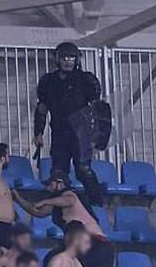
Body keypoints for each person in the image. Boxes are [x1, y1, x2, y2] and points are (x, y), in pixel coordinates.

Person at [34, 42, 104, 204]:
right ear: (57, 59)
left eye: (71, 57)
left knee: (83, 170)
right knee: (58, 172)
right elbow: (42, 108)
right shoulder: (49, 81)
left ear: (77, 59)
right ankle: (58, 206)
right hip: (59, 132)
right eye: (64, 57)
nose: (68, 61)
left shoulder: (86, 80)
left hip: (81, 133)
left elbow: (96, 109)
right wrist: (38, 132)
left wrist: (96, 136)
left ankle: (97, 203)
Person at [14, 172, 113, 267]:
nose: (47, 187)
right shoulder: (57, 203)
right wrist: (18, 199)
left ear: (60, 183)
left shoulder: (69, 194)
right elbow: (37, 211)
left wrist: (45, 201)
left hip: (95, 246)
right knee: (52, 259)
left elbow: (69, 200)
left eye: (50, 184)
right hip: (87, 247)